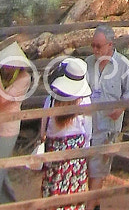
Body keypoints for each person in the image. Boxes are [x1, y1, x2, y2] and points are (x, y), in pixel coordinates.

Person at [86, 24, 129, 209]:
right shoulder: (87, 63)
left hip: (108, 129)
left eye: (98, 46)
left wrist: (120, 109)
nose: (95, 50)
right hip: (87, 126)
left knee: (97, 172)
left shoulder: (124, 66)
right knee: (89, 173)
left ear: (110, 45)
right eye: (93, 45)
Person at [0, 40, 35, 207]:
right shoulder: (0, 73)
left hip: (8, 130)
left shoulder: (25, 78)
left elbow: (4, 100)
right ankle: (12, 205)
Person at [40, 57, 92, 210]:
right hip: (75, 150)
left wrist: (43, 136)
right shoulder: (83, 101)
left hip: (54, 146)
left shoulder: (51, 99)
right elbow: (88, 128)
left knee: (52, 185)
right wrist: (87, 147)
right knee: (73, 190)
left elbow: (44, 125)